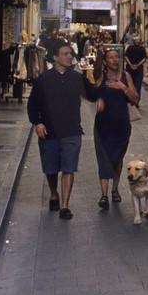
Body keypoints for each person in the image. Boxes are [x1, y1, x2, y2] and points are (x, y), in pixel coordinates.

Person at [26, 42, 96, 219]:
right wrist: (37, 123)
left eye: (70, 54)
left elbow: (93, 94)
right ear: (55, 58)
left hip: (72, 130)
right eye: (65, 54)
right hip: (49, 131)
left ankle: (64, 205)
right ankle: (54, 193)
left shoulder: (76, 78)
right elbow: (33, 103)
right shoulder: (44, 79)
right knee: (51, 169)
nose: (69, 57)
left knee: (68, 168)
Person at [90, 47, 138, 209]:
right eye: (110, 57)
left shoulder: (126, 76)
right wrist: (99, 54)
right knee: (103, 158)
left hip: (122, 125)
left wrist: (123, 87)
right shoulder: (100, 76)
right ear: (105, 61)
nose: (115, 60)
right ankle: (104, 195)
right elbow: (96, 69)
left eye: (117, 57)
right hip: (103, 125)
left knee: (117, 158)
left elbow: (136, 98)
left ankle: (115, 189)